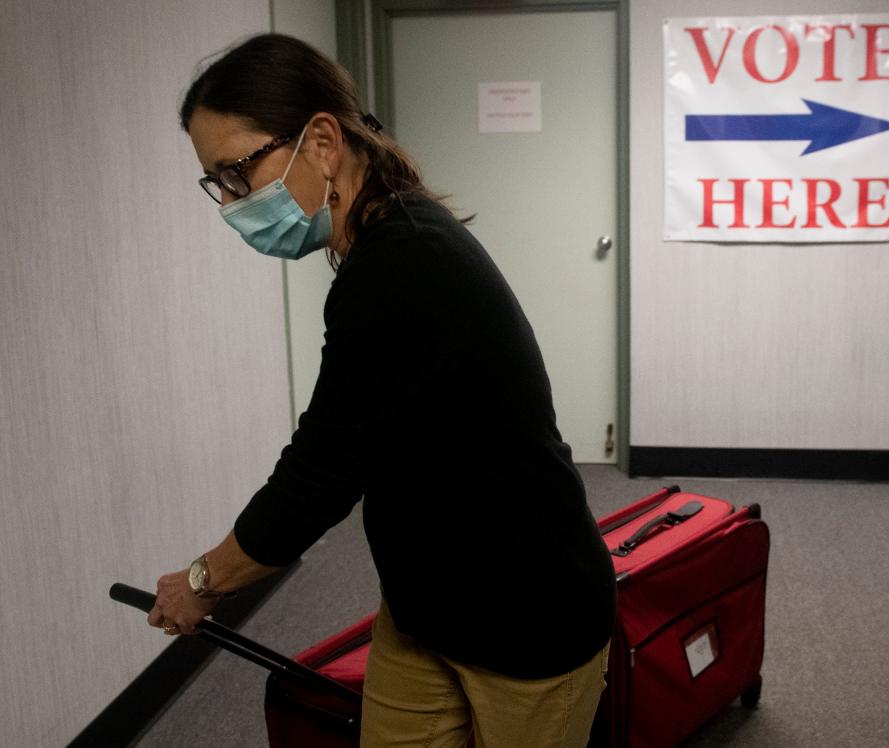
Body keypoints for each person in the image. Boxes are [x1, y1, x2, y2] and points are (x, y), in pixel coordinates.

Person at [147, 33, 617, 747]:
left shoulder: (406, 263)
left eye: (239, 173)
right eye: (218, 184)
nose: (232, 204)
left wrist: (203, 580)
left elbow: (321, 471)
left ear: (324, 142)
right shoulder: (379, 242)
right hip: (428, 602)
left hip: (529, 612)